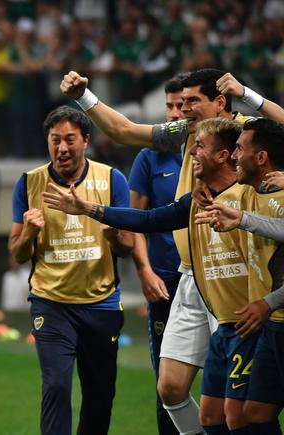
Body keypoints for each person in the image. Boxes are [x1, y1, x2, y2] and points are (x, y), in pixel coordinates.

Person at [60, 68, 250, 434]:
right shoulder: (184, 133)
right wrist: (84, 96)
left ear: (220, 102)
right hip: (189, 274)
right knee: (171, 388)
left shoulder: (246, 129)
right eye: (179, 103)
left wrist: (251, 96)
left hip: (234, 275)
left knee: (242, 401)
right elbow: (123, 130)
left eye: (192, 101)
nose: (181, 111)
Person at [8, 106, 134, 435]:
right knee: (56, 387)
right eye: (55, 141)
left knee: (100, 396)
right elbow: (17, 254)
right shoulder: (29, 183)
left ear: (86, 141)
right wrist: (29, 233)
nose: (62, 148)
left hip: (101, 303)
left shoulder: (111, 179)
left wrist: (115, 235)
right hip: (51, 303)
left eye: (69, 140)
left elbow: (129, 247)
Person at [194, 118, 284, 434]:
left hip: (271, 317)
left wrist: (267, 303)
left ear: (261, 157)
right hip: (273, 326)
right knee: (254, 413)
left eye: (240, 149)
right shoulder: (249, 193)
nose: (233, 156)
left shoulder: (281, 195)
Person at [127, 74, 186, 435]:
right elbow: (137, 220)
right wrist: (145, 271)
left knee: (226, 381)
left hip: (213, 280)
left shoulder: (212, 149)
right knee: (167, 382)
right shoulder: (149, 156)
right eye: (169, 106)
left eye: (182, 105)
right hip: (164, 279)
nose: (175, 113)